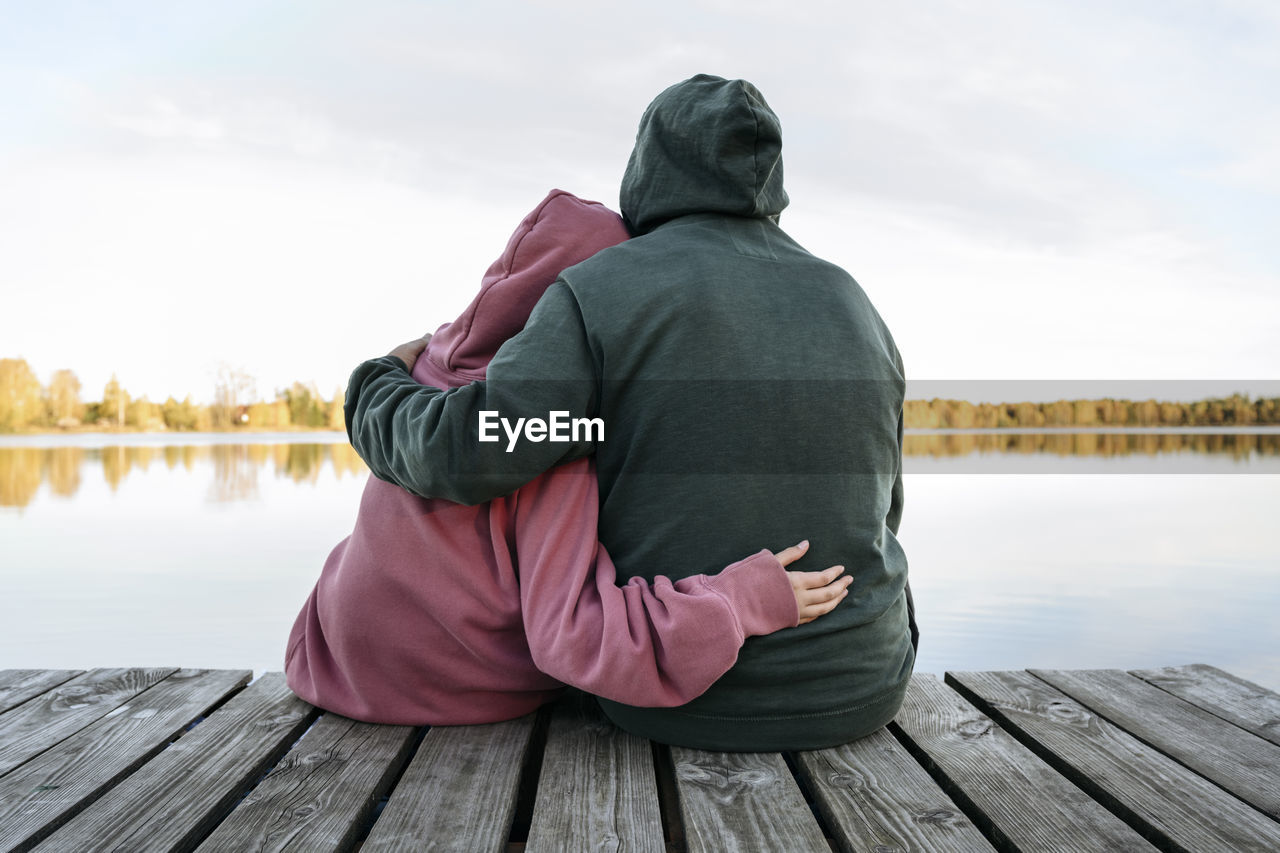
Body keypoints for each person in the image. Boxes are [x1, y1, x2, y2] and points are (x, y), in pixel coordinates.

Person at [345, 75, 915, 749]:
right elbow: (884, 509)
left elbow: (467, 453)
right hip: (869, 683)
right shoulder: (855, 301)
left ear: (647, 170)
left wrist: (374, 385)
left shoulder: (600, 290)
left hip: (680, 702)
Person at [285, 189, 852, 725]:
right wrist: (738, 601)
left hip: (323, 657)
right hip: (447, 694)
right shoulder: (555, 430)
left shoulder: (420, 372)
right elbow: (574, 639)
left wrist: (387, 365)